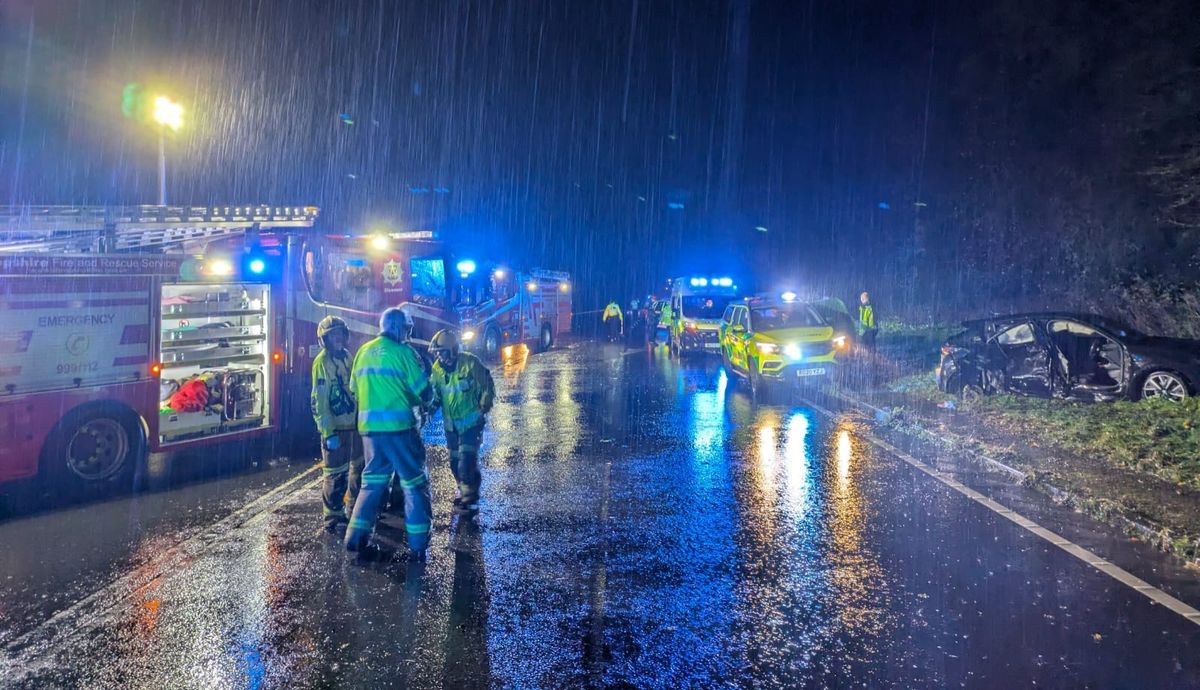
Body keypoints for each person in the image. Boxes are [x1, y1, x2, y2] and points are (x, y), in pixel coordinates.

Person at [344, 307, 435, 561]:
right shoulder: (404, 353)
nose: (407, 334)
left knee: (372, 484)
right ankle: (418, 545)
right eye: (406, 329)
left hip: (370, 433)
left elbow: (354, 389)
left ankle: (355, 540)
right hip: (400, 430)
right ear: (396, 327)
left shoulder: (363, 351)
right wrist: (426, 398)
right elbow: (423, 392)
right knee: (414, 483)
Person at [427, 329, 495, 512]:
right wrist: (429, 409)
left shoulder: (470, 363)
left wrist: (484, 406)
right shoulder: (437, 369)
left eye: (442, 352)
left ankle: (469, 497)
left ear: (453, 350)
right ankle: (465, 489)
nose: (440, 357)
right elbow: (436, 394)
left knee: (466, 460)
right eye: (437, 353)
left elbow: (487, 384)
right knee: (454, 463)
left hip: (472, 424)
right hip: (451, 427)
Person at [311, 316, 363, 534]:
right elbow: (319, 401)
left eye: (340, 334)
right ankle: (333, 518)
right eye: (332, 336)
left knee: (358, 469)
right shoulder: (322, 363)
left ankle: (354, 508)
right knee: (335, 475)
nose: (337, 338)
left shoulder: (347, 356)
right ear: (324, 340)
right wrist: (328, 431)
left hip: (354, 425)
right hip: (336, 429)